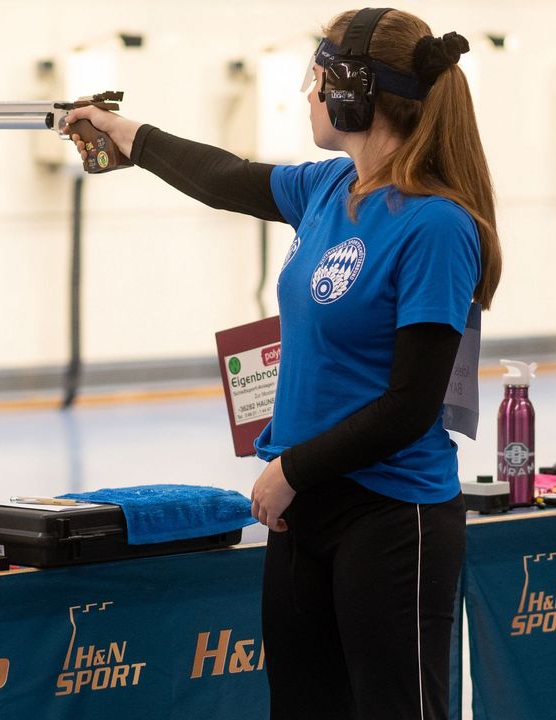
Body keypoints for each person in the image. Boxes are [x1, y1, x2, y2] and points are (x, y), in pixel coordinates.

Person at [65, 7, 500, 719]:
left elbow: (412, 404)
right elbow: (227, 177)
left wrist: (291, 469)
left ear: (356, 93)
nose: (309, 94)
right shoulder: (329, 188)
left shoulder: (436, 225)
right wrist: (128, 135)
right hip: (306, 510)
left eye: (319, 78)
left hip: (389, 514)